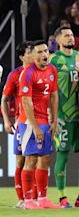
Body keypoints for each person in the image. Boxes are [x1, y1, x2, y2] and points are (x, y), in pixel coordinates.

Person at [49, 26, 79, 208]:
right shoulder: (53, 60)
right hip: (63, 116)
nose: (70, 38)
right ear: (57, 40)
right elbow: (49, 90)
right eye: (66, 35)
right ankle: (62, 198)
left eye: (71, 35)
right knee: (63, 155)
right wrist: (51, 114)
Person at [18, 40, 59, 209]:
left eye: (45, 51)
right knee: (31, 159)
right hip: (29, 121)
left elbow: (54, 96)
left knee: (45, 158)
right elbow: (26, 103)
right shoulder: (28, 73)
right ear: (33, 56)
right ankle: (28, 200)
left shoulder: (52, 70)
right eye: (40, 52)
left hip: (45, 120)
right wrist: (35, 127)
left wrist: (55, 120)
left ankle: (42, 199)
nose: (44, 55)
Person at [1, 42, 34, 208]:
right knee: (21, 161)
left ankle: (34, 198)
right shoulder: (15, 75)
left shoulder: (42, 70)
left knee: (36, 160)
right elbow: (4, 99)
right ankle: (22, 198)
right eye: (30, 52)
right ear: (22, 57)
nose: (34, 54)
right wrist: (7, 120)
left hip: (40, 122)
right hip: (22, 123)